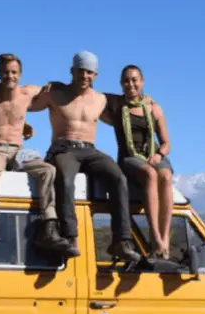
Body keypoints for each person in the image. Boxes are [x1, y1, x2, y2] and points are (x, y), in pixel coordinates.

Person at [31, 51, 141, 264]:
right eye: (81, 71)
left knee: (118, 177)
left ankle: (122, 240)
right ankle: (70, 237)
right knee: (65, 178)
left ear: (96, 75)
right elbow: (23, 101)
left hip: (90, 150)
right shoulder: (54, 92)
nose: (85, 76)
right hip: (63, 147)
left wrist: (148, 101)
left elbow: (134, 106)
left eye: (90, 72)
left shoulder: (101, 100)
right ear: (72, 71)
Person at [0, 54, 71, 254]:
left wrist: (56, 83)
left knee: (48, 170)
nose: (10, 76)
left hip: (18, 151)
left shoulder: (28, 92)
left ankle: (49, 224)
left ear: (21, 74)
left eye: (14, 72)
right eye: (6, 72)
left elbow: (52, 89)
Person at [101, 65, 174, 259]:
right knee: (150, 174)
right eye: (126, 80)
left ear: (142, 82)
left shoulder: (153, 108)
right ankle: (155, 238)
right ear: (121, 84)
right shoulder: (117, 105)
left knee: (166, 176)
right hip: (129, 158)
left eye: (134, 80)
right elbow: (90, 94)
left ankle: (165, 238)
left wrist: (159, 155)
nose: (131, 84)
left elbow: (166, 143)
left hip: (153, 155)